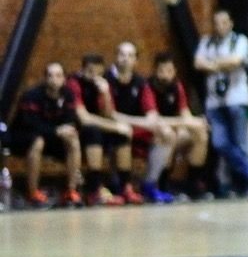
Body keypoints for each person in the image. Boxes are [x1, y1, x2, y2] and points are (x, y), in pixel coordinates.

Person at [194, 9, 248, 197]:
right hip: (214, 102)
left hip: (236, 99)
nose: (219, 26)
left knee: (239, 144)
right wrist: (220, 64)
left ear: (230, 23)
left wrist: (213, 64)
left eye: (223, 22)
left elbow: (236, 61)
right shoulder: (206, 42)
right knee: (219, 142)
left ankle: (244, 184)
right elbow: (198, 63)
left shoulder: (239, 40)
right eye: (216, 23)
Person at [107, 41, 176, 204]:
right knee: (122, 132)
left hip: (137, 127)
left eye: (130, 55)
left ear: (135, 61)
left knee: (167, 134)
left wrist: (139, 122)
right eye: (122, 54)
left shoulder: (141, 83)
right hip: (112, 128)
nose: (126, 59)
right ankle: (120, 186)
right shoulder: (107, 80)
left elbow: (152, 116)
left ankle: (149, 184)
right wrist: (139, 122)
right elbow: (109, 115)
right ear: (116, 58)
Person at [11, 61, 82, 207]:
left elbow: (70, 121)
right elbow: (30, 125)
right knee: (38, 141)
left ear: (64, 79)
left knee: (72, 139)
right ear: (44, 78)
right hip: (23, 137)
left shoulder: (68, 95)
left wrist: (66, 130)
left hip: (52, 138)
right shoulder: (32, 95)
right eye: (50, 75)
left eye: (58, 75)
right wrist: (56, 130)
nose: (53, 79)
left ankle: (71, 191)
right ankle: (33, 193)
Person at [68, 53, 129, 206]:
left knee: (122, 137)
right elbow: (84, 119)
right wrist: (115, 127)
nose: (94, 76)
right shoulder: (74, 83)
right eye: (90, 71)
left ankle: (124, 188)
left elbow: (108, 115)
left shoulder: (102, 85)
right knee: (94, 131)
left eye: (98, 73)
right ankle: (94, 190)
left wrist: (106, 93)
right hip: (77, 131)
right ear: (82, 70)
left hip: (99, 128)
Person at [148, 52, 211, 200]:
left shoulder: (177, 86)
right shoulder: (148, 87)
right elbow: (154, 120)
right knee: (169, 136)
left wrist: (196, 123)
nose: (165, 75)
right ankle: (163, 184)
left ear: (174, 71)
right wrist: (185, 123)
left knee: (200, 133)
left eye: (169, 71)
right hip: (153, 132)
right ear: (155, 71)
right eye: (161, 71)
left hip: (173, 128)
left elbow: (185, 114)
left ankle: (194, 183)